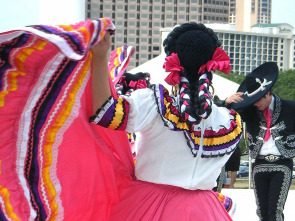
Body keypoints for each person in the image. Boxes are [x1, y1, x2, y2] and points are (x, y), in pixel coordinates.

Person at [90, 22, 243, 220]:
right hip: (205, 210)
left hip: (149, 205)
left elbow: (105, 113)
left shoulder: (154, 104)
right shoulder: (231, 122)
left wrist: (100, 57)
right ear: (213, 63)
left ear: (172, 64)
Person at [225, 62, 295, 221]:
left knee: (275, 211)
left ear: (267, 93)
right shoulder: (249, 110)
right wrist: (227, 102)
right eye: (253, 100)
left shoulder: (290, 107)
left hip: (282, 164)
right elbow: (222, 114)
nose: (256, 104)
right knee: (262, 212)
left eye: (258, 99)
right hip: (259, 164)